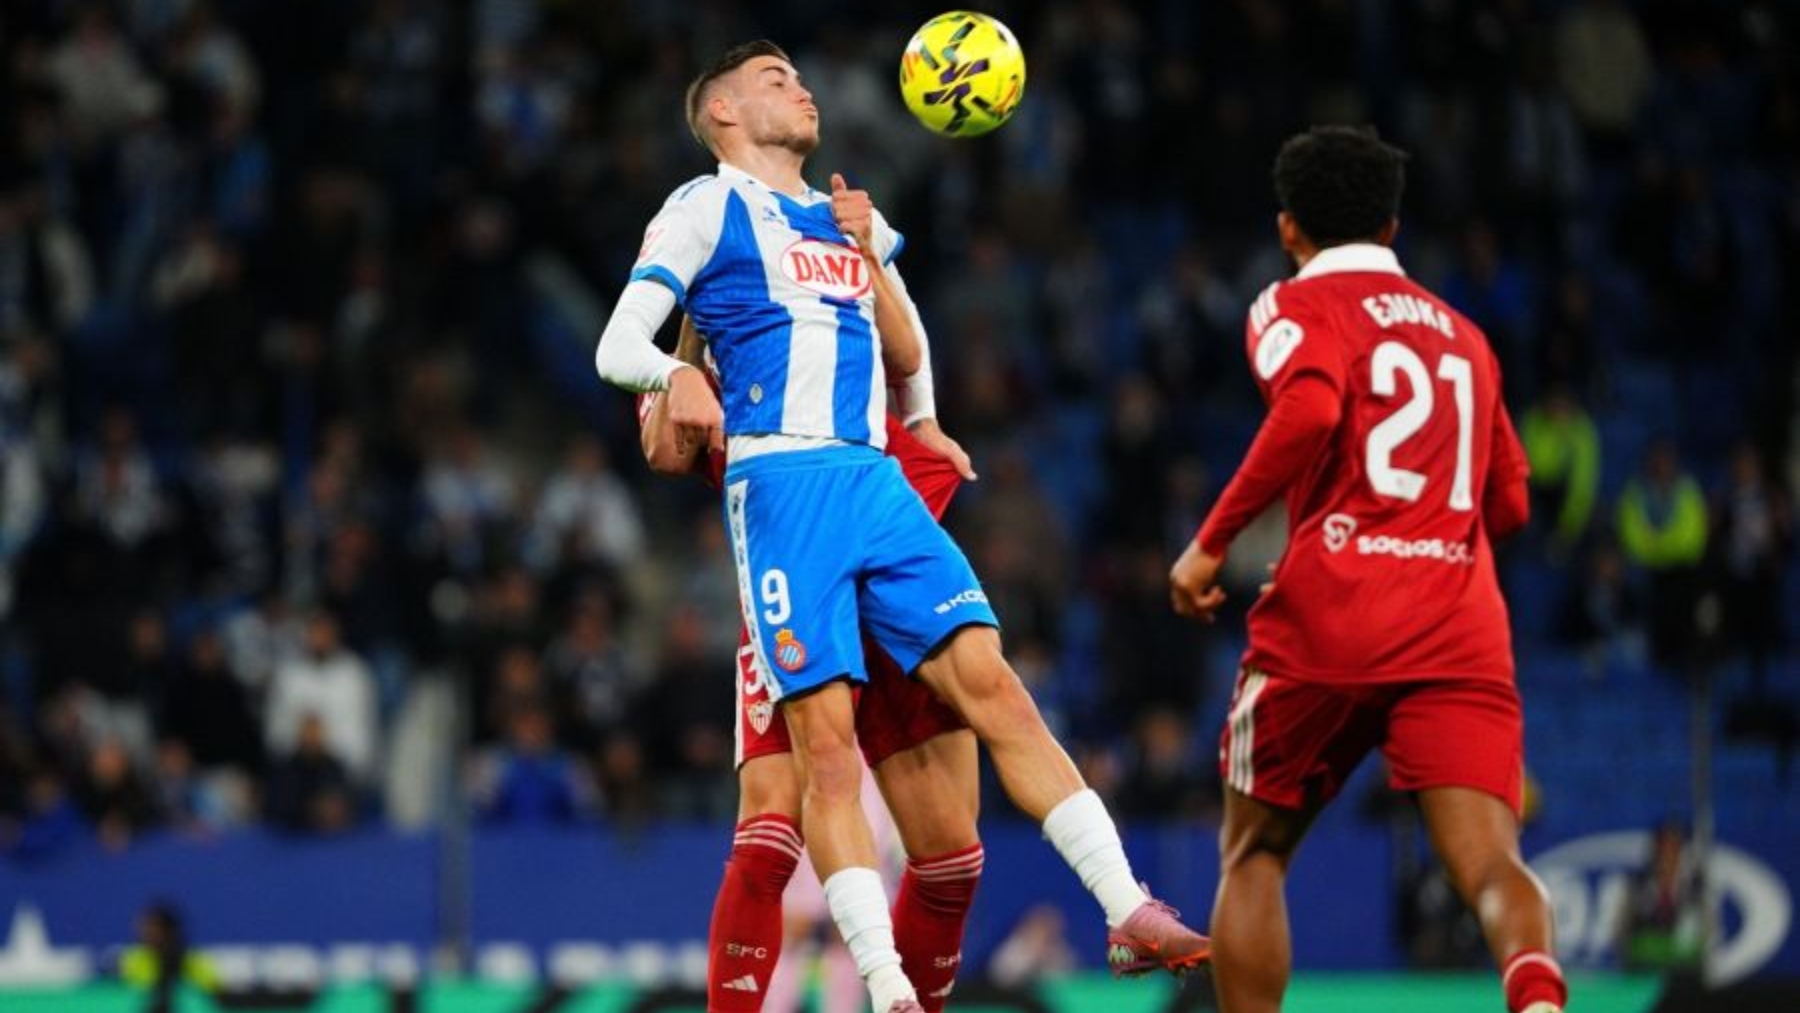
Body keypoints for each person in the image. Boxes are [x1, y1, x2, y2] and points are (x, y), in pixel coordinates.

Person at [595, 40, 1209, 1013]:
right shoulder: (703, 209)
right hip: (787, 495)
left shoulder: (850, 216)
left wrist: (918, 403)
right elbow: (630, 368)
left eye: (801, 73)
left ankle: (1126, 905)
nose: (802, 84)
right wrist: (675, 376)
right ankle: (880, 986)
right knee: (792, 796)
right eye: (773, 77)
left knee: (980, 750)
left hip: (880, 487)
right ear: (718, 112)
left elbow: (910, 343)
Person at [1168, 126, 1565, 1013]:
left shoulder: (1290, 306)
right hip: (1458, 627)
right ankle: (1537, 997)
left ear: (1287, 230)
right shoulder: (1467, 337)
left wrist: (1210, 542)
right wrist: (1430, 545)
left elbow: (1310, 408)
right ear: (1392, 229)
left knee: (1256, 853)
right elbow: (1511, 507)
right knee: (1494, 862)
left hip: (1331, 617)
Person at [638, 318, 983, 1013]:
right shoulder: (703, 330)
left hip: (896, 584)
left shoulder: (832, 280)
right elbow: (666, 448)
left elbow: (908, 343)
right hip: (791, 587)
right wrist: (689, 346)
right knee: (769, 832)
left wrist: (925, 414)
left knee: (952, 859)